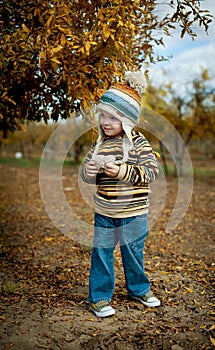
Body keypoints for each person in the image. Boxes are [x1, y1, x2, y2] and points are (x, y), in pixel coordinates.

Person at [81, 71, 161, 318]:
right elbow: (86, 175)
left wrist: (122, 171)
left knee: (133, 252)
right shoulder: (99, 144)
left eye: (113, 118)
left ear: (127, 120)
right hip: (105, 210)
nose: (106, 122)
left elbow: (151, 171)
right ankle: (99, 297)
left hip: (134, 213)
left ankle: (138, 289)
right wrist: (89, 170)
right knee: (102, 254)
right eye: (103, 115)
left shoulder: (138, 142)